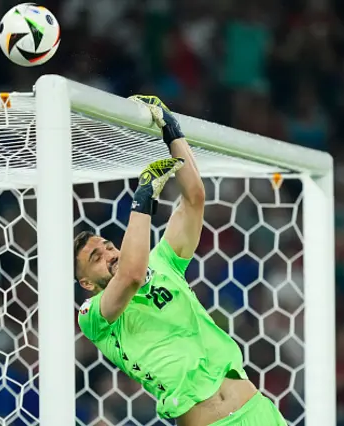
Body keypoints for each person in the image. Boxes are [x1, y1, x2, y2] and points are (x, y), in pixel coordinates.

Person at [75, 96, 287, 426]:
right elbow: (130, 275)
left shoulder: (163, 263)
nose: (109, 254)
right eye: (95, 257)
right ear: (86, 283)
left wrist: (171, 129)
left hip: (257, 411)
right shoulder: (95, 318)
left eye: (108, 245)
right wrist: (144, 196)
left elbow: (194, 198)